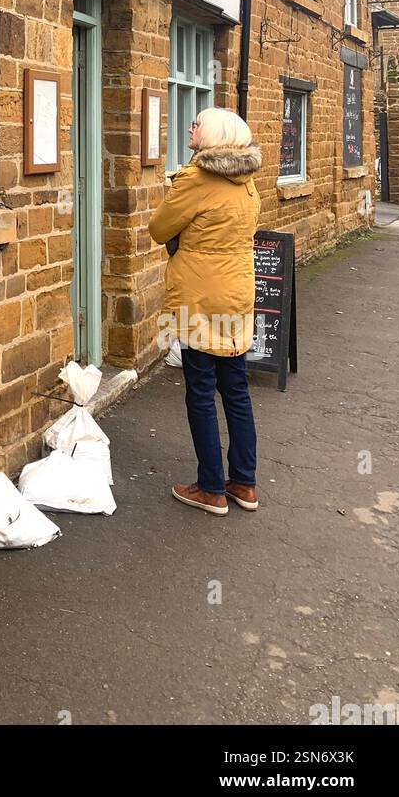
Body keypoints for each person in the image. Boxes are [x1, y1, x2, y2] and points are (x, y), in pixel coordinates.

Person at [148, 107, 262, 516]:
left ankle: (211, 488)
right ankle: (244, 483)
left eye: (196, 123)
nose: (190, 127)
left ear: (212, 135)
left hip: (199, 295)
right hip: (236, 292)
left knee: (199, 390)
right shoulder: (247, 182)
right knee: (235, 390)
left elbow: (159, 229)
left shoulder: (196, 179)